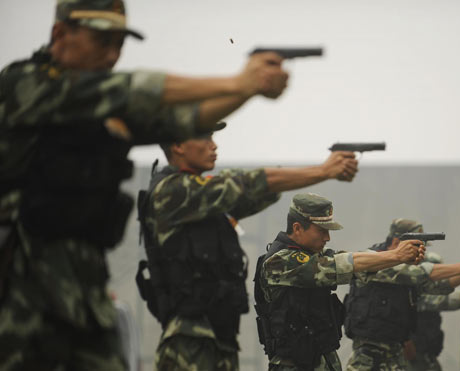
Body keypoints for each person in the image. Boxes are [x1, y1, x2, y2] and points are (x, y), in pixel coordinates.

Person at [0, 0, 288, 369]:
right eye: (101, 40)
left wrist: (249, 91)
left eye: (119, 44)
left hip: (82, 297)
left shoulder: (100, 108)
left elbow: (184, 118)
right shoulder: (25, 85)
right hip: (18, 295)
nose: (112, 54)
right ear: (59, 33)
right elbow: (132, 89)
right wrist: (237, 81)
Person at [137, 133, 360, 370]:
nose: (214, 146)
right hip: (187, 340)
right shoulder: (173, 191)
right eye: (205, 138)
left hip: (217, 338)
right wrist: (324, 171)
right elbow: (249, 183)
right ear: (179, 145)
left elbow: (259, 191)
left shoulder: (201, 202)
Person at [255, 195, 427, 371]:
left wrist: (397, 257)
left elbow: (354, 259)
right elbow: (339, 265)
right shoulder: (280, 262)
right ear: (297, 228)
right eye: (322, 230)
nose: (327, 237)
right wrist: (396, 255)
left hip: (322, 360)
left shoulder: (313, 256)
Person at [344, 219, 460, 371]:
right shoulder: (375, 260)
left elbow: (443, 285)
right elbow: (421, 274)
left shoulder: (406, 270)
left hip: (395, 351)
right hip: (369, 355)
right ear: (399, 241)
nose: (422, 251)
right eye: (417, 245)